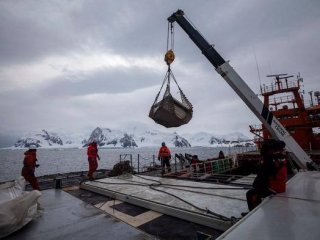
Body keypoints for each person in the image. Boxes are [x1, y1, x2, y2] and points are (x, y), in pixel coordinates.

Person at [245, 139, 287, 212]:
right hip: (281, 186)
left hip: (274, 189)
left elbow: (259, 181)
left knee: (250, 193)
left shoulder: (268, 162)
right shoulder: (281, 158)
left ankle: (252, 213)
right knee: (258, 189)